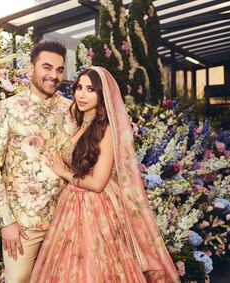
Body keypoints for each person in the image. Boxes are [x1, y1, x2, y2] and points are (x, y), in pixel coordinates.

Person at [30, 66, 180, 283]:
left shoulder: (107, 128)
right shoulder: (81, 124)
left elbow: (99, 182)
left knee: (94, 265)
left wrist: (63, 172)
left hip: (95, 206)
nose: (82, 94)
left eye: (91, 89)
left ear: (103, 94)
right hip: (70, 204)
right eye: (79, 87)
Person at [0, 41, 75, 283]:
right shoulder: (6, 109)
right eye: (47, 67)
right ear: (30, 68)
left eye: (59, 69)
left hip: (67, 221)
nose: (53, 75)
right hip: (22, 224)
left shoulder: (72, 110)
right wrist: (5, 221)